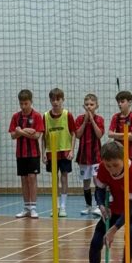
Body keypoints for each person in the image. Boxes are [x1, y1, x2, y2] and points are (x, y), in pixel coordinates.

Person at [76, 140, 132, 263]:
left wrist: (113, 230)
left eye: (115, 165)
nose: (112, 169)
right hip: (115, 204)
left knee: (131, 234)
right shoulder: (103, 168)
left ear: (124, 159)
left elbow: (130, 207)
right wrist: (101, 205)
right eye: (108, 165)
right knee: (96, 241)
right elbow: (99, 189)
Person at [9, 89, 43, 219]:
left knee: (32, 178)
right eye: (21, 104)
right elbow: (13, 135)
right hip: (20, 154)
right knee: (24, 180)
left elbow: (37, 135)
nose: (23, 106)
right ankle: (26, 207)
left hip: (33, 153)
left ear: (31, 102)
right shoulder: (16, 117)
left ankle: (33, 207)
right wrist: (27, 131)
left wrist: (21, 131)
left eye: (26, 103)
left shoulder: (37, 116)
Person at [42, 88, 76, 217]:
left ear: (63, 100)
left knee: (64, 177)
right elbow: (43, 137)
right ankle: (55, 206)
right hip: (51, 152)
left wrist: (72, 150)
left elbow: (73, 133)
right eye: (53, 99)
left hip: (65, 151)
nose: (55, 102)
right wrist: (43, 152)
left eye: (58, 99)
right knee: (54, 179)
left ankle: (63, 206)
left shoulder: (67, 115)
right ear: (50, 100)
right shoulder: (46, 116)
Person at [75, 93, 104, 216]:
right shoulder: (79, 119)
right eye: (86, 104)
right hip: (83, 156)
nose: (89, 107)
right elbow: (77, 135)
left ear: (96, 106)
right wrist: (85, 121)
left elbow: (99, 135)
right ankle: (88, 206)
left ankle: (98, 206)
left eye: (91, 104)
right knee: (86, 182)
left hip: (96, 155)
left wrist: (92, 120)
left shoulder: (99, 119)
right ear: (84, 106)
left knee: (97, 181)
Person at [108, 90, 132, 161]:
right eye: (118, 102)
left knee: (127, 167)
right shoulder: (115, 117)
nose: (119, 104)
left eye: (122, 102)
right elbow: (110, 134)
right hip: (117, 151)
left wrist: (116, 135)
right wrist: (127, 135)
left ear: (130, 102)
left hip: (129, 151)